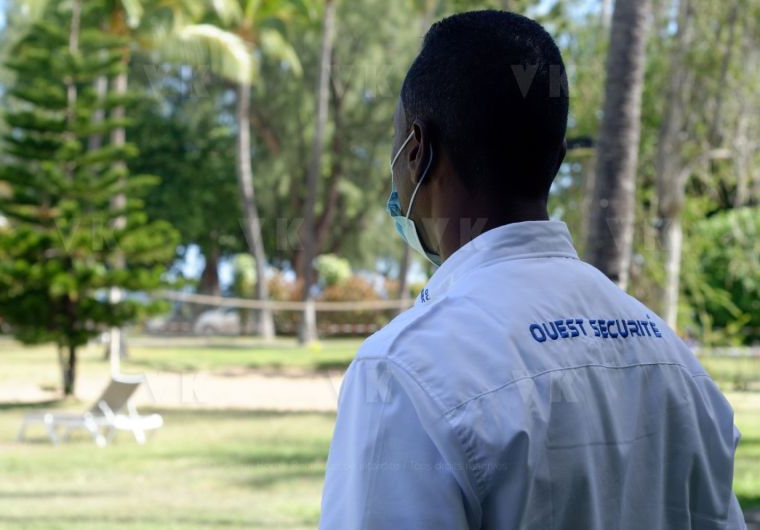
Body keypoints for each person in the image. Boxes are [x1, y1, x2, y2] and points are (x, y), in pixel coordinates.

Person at [317, 9, 746, 530]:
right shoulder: (676, 363)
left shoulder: (404, 372)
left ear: (418, 152)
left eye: (396, 148)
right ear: (556, 159)